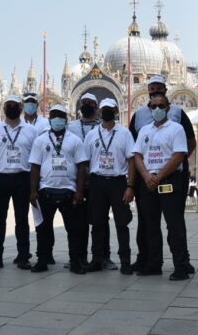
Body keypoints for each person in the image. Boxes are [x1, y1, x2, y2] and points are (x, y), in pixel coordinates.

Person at [128, 75, 197, 274]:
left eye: (161, 104)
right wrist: (146, 176)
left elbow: (181, 152)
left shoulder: (176, 125)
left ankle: (182, 265)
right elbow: (136, 154)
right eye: (153, 104)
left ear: (167, 105)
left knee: (174, 223)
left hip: (170, 178)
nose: (157, 108)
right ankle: (152, 263)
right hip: (147, 180)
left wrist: (160, 175)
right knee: (149, 224)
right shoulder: (143, 126)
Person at [29, 104, 89, 274]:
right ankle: (42, 259)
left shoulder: (75, 140)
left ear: (66, 119)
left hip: (69, 190)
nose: (57, 119)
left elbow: (81, 167)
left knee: (74, 229)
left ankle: (75, 261)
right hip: (46, 189)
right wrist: (33, 191)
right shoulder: (40, 140)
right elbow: (34, 166)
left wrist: (79, 191)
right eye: (54, 115)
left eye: (60, 116)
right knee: (43, 228)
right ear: (49, 119)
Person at [83, 98, 135, 274]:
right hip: (97, 181)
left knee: (122, 222)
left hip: (118, 182)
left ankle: (125, 260)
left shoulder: (124, 133)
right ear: (99, 111)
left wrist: (130, 186)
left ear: (115, 111)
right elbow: (85, 162)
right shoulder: (91, 135)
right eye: (104, 109)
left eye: (110, 109)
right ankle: (97, 259)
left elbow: (131, 161)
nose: (107, 112)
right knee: (97, 223)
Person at [0, 95, 37, 270]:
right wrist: (2, 165)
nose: (12, 107)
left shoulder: (30, 130)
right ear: (4, 108)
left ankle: (23, 256)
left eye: (16, 105)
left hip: (22, 177)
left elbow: (35, 156)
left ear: (21, 108)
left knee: (22, 219)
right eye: (9, 105)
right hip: (1, 177)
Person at [68, 93, 115, 270]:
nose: (87, 105)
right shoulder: (71, 127)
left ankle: (104, 256)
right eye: (84, 103)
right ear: (79, 106)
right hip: (77, 181)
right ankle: (78, 256)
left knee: (101, 220)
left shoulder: (103, 127)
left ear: (97, 108)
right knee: (77, 221)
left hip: (97, 180)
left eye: (91, 103)